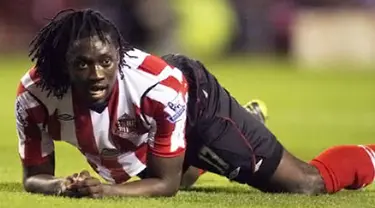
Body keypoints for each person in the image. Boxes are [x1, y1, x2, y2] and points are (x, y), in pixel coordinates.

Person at [16, 9, 375, 198]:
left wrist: (102, 192)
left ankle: (234, 129)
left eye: (106, 62)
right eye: (82, 64)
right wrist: (61, 185)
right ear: (62, 65)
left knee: (304, 184)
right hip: (144, 121)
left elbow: (165, 185)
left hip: (198, 107)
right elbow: (34, 178)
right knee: (139, 178)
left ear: (119, 56)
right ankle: (224, 139)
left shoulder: (157, 87)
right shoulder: (34, 96)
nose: (96, 74)